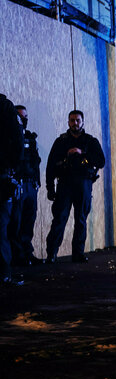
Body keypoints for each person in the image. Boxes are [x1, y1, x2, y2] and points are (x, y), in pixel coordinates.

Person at [45, 110, 105, 263]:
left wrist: (82, 154)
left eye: (78, 120)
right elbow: (51, 166)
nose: (75, 123)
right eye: (72, 120)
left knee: (81, 220)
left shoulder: (90, 141)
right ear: (68, 122)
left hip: (83, 183)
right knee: (59, 219)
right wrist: (50, 188)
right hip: (65, 184)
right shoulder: (61, 142)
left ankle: (78, 254)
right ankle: (51, 254)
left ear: (83, 122)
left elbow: (101, 161)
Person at [9, 105, 42, 266]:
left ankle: (27, 253)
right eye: (20, 117)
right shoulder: (9, 136)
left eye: (25, 117)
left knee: (29, 220)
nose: (23, 120)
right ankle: (17, 255)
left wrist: (37, 183)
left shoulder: (30, 137)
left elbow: (36, 161)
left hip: (31, 185)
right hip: (18, 185)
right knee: (16, 221)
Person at [1, 93, 24, 284]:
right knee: (2, 226)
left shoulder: (5, 107)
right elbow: (17, 142)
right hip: (2, 174)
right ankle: (4, 273)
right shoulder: (5, 107)